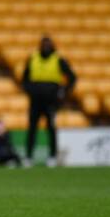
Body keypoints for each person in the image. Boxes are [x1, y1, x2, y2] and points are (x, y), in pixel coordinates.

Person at [22, 36, 76, 167]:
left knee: (51, 129)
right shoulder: (32, 58)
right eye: (44, 44)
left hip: (51, 102)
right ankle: (28, 158)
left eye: (48, 44)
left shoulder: (58, 59)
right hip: (35, 101)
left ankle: (52, 157)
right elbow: (24, 79)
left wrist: (63, 92)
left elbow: (72, 77)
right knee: (32, 129)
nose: (46, 47)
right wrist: (30, 90)